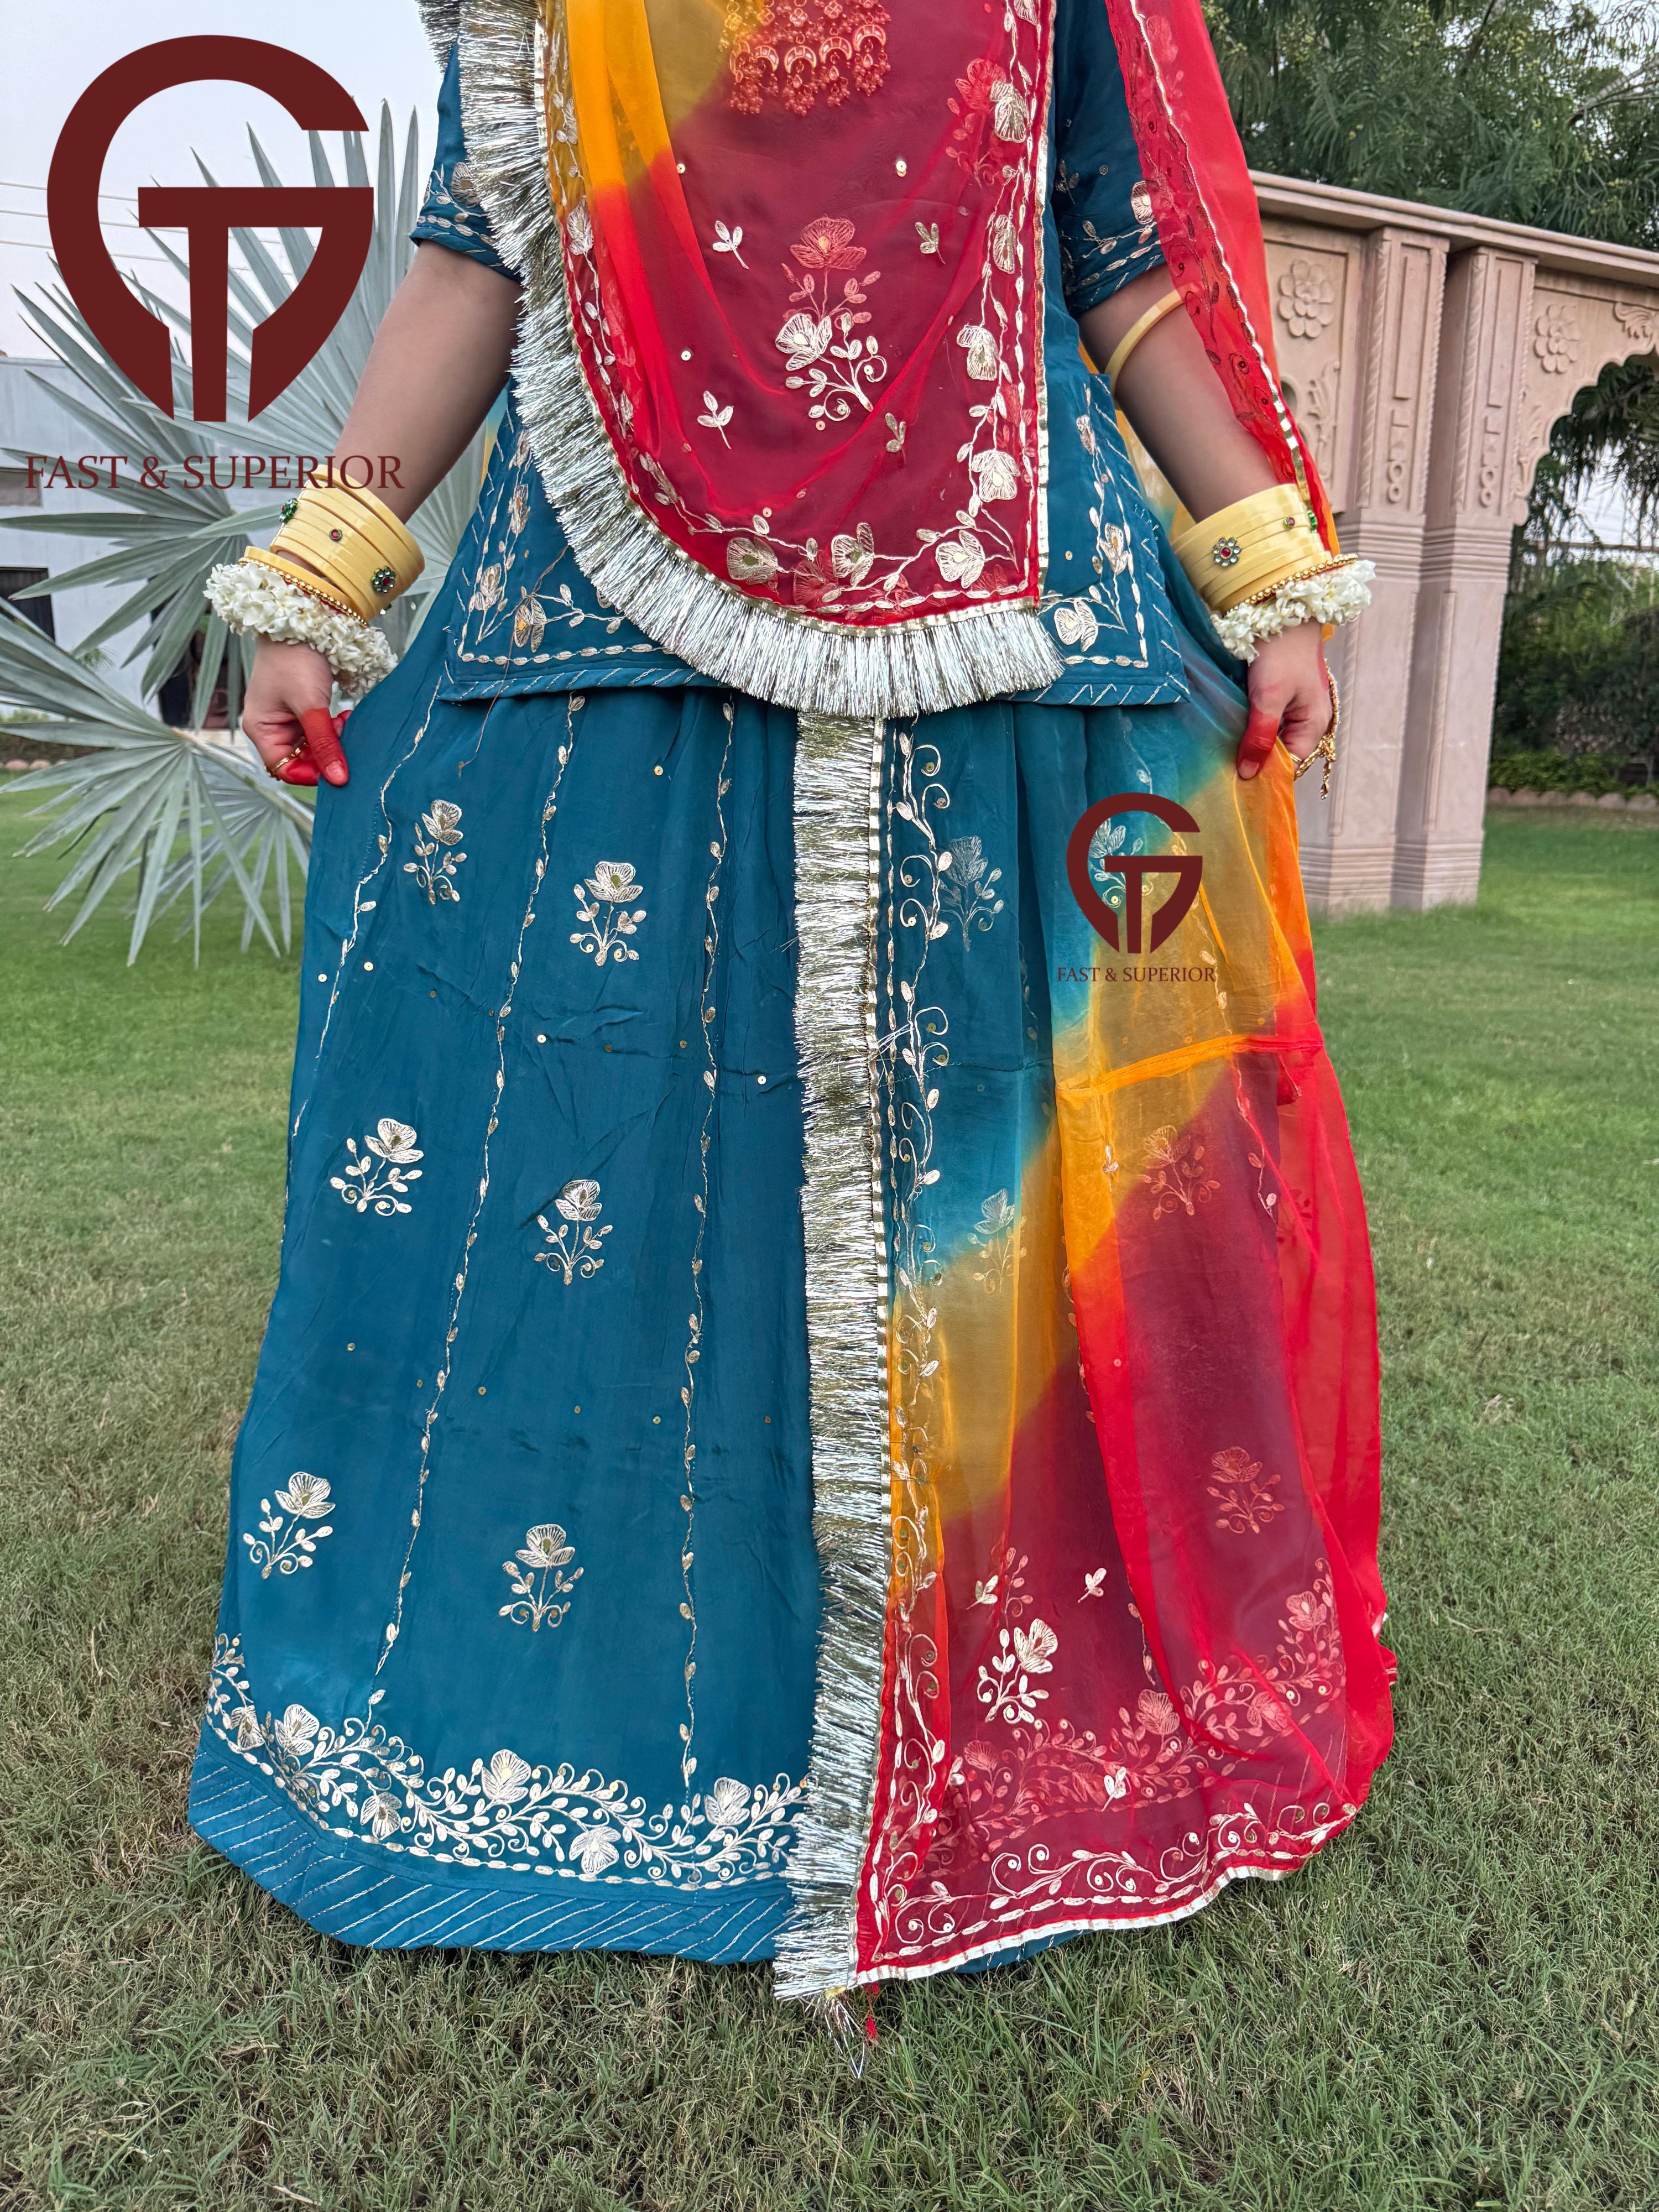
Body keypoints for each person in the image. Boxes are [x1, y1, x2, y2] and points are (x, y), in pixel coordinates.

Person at [194, 0, 1393, 2004]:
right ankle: (604, 1707)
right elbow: (487, 248)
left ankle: (1029, 1704)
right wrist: (327, 567)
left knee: (1058, 1167)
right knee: (593, 1168)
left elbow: (1113, 261)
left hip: (1010, 625)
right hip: (610, 620)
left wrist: (1265, 564)